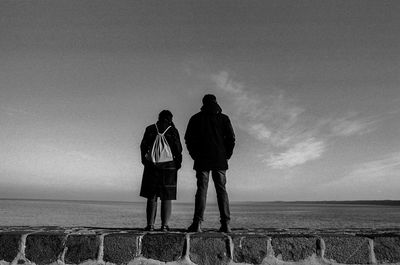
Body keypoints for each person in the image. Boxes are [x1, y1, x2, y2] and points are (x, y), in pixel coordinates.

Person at [185, 94, 235, 233]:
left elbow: (188, 139)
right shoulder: (223, 118)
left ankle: (198, 223)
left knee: (201, 190)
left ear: (203, 103)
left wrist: (194, 155)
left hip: (202, 159)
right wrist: (226, 155)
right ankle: (226, 224)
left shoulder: (196, 118)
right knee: (222, 191)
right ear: (216, 102)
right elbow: (231, 138)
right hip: (219, 159)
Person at [140, 110, 182, 231]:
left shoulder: (150, 129)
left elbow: (143, 146)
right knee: (166, 196)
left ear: (159, 118)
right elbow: (178, 149)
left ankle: (150, 225)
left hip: (151, 165)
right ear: (170, 119)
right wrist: (177, 164)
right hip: (169, 166)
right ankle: (164, 225)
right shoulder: (173, 130)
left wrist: (145, 161)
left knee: (151, 195)